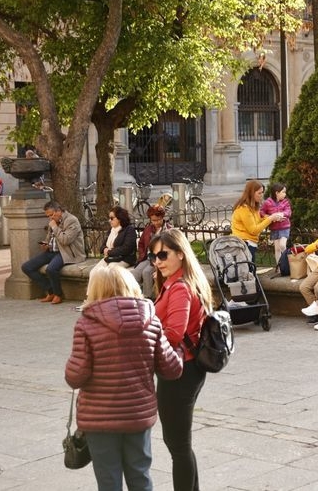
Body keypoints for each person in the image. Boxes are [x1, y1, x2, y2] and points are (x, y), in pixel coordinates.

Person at [65, 264, 183, 491]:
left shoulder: (86, 324)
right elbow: (171, 369)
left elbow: (75, 377)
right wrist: (179, 348)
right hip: (138, 415)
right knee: (140, 476)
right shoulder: (151, 321)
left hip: (99, 418)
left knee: (108, 481)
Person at [149, 228, 214, 491]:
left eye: (163, 255)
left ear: (180, 254)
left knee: (178, 445)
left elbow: (174, 333)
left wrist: (145, 338)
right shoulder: (177, 283)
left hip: (180, 371)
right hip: (185, 368)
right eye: (154, 256)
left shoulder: (179, 288)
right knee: (179, 444)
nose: (158, 261)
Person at [21, 200, 86, 305]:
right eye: (48, 216)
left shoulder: (72, 220)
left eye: (51, 215)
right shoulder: (53, 221)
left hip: (68, 253)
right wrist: (46, 244)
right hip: (52, 251)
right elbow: (49, 238)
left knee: (51, 269)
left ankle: (58, 294)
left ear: (59, 211)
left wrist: (55, 227)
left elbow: (65, 240)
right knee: (27, 267)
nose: (50, 218)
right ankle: (50, 290)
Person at [231, 180, 284, 261]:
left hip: (248, 244)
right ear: (251, 194)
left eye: (262, 192)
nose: (262, 195)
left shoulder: (253, 206)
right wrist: (270, 218)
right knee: (248, 268)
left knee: (251, 268)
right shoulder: (243, 208)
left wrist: (274, 217)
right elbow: (254, 230)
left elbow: (259, 219)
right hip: (243, 245)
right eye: (259, 193)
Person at [130, 205, 171, 299]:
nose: (156, 222)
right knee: (135, 273)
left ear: (162, 217)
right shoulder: (148, 229)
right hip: (147, 257)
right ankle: (135, 296)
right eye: (153, 220)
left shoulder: (168, 230)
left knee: (147, 272)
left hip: (159, 259)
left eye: (158, 220)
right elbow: (141, 244)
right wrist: (142, 254)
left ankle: (148, 298)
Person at [90, 206, 137, 274]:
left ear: (120, 218)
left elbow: (126, 248)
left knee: (109, 271)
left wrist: (109, 252)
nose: (109, 220)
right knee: (94, 272)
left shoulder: (129, 229)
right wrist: (104, 249)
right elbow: (102, 246)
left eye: (112, 218)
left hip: (124, 259)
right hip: (110, 258)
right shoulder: (111, 230)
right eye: (109, 218)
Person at [260, 182, 292, 267]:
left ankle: (287, 264)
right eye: (283, 192)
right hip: (274, 228)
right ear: (277, 193)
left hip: (284, 227)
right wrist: (270, 217)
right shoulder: (267, 202)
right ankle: (279, 266)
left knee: (282, 245)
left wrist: (282, 214)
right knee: (277, 249)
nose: (285, 194)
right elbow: (261, 212)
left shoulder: (285, 202)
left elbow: (288, 212)